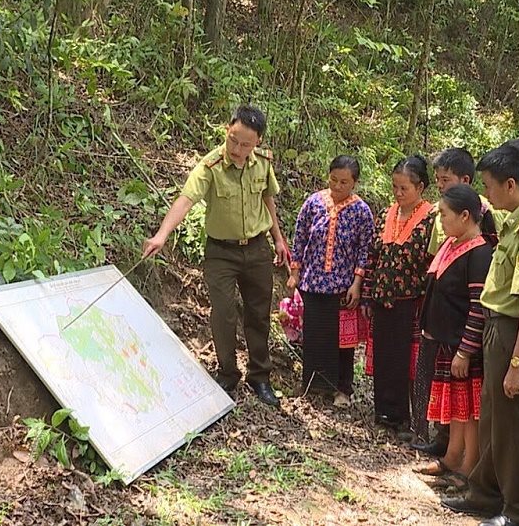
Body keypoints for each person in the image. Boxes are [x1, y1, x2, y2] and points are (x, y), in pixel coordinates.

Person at [443, 141, 519, 526]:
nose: (486, 196)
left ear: (510, 185)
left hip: (515, 332)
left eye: (490, 187)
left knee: (511, 426)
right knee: (494, 418)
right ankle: (485, 495)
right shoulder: (517, 216)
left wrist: (516, 363)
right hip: (500, 326)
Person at [142, 104, 289, 407]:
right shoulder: (210, 166)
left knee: (258, 314)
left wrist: (278, 239)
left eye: (245, 144)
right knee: (223, 313)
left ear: (257, 142)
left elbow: (268, 201)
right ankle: (227, 373)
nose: (237, 149)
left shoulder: (262, 163)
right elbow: (186, 200)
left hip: (258, 248)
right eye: (233, 140)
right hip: (221, 252)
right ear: (227, 130)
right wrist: (162, 234)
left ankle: (260, 377)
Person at [413, 184, 495, 490]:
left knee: (470, 409)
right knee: (457, 407)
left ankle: (469, 465)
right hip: (447, 341)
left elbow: (477, 307)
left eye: (444, 215)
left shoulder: (480, 251)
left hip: (464, 345)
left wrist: (465, 350)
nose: (440, 221)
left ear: (465, 216)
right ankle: (451, 456)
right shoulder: (452, 244)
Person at [287, 155, 374, 407]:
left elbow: (364, 250)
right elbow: (300, 237)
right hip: (312, 281)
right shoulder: (313, 202)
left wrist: (357, 282)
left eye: (344, 182)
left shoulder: (361, 211)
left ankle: (343, 389)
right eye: (334, 180)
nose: (337, 186)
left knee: (343, 341)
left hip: (343, 285)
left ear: (354, 183)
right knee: (315, 335)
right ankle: (314, 385)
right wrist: (295, 272)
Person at [362, 156, 436, 433]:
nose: (398, 193)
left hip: (411, 300)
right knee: (384, 356)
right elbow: (373, 256)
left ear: (420, 188)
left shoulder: (432, 218)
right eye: (395, 187)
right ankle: (384, 411)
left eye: (404, 188)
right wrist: (369, 293)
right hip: (383, 296)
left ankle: (408, 417)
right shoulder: (386, 213)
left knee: (408, 360)